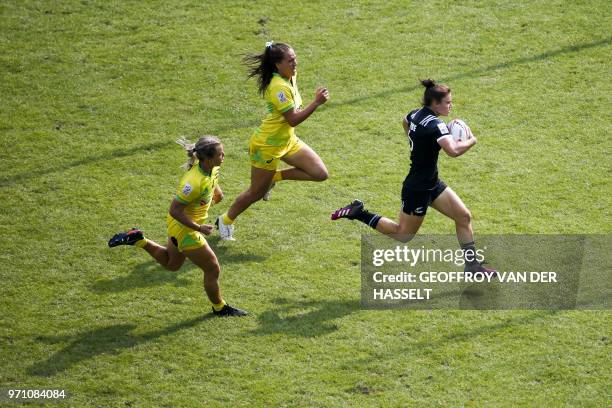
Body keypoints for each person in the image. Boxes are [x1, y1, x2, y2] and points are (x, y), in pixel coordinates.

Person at [331, 79, 495, 275]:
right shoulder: (436, 125)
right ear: (435, 103)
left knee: (463, 216)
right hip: (417, 188)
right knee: (403, 235)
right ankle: (358, 212)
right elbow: (453, 151)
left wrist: (417, 141)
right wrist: (471, 140)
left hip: (431, 183)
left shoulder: (415, 114)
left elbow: (405, 122)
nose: (451, 105)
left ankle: (472, 266)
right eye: (448, 102)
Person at [108, 136, 248, 316]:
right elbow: (175, 210)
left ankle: (139, 240)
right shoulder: (192, 183)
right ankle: (220, 307)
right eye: (220, 154)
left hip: (179, 227)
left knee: (172, 264)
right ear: (208, 158)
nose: (224, 156)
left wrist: (216, 194)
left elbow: (211, 182)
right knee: (212, 268)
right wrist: (199, 228)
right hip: (186, 230)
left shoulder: (211, 169)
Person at [216, 41, 330, 240]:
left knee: (320, 173)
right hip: (267, 147)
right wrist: (316, 103)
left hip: (287, 141)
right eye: (290, 60)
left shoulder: (289, 76)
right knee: (255, 193)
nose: (295, 63)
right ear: (278, 64)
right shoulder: (278, 88)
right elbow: (293, 119)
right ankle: (225, 221)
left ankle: (274, 178)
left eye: (295, 59)